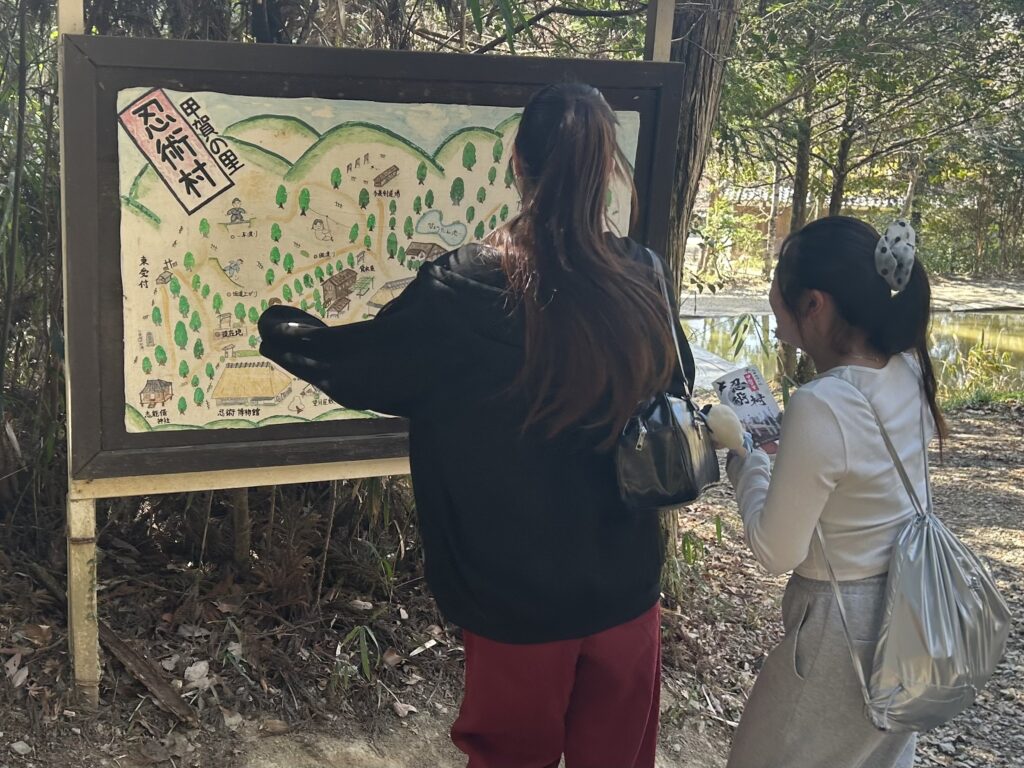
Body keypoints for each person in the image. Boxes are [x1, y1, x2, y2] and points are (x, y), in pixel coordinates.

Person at [258, 83, 697, 768]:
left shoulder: (461, 287)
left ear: (517, 161)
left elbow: (369, 366)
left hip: (512, 599)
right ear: (606, 168)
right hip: (626, 591)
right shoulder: (642, 274)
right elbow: (676, 384)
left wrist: (284, 330)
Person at [724, 216, 946, 768]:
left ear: (814, 304)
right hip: (910, 606)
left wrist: (747, 463)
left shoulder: (821, 403)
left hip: (838, 628)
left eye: (780, 300)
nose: (776, 316)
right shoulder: (909, 367)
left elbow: (776, 550)